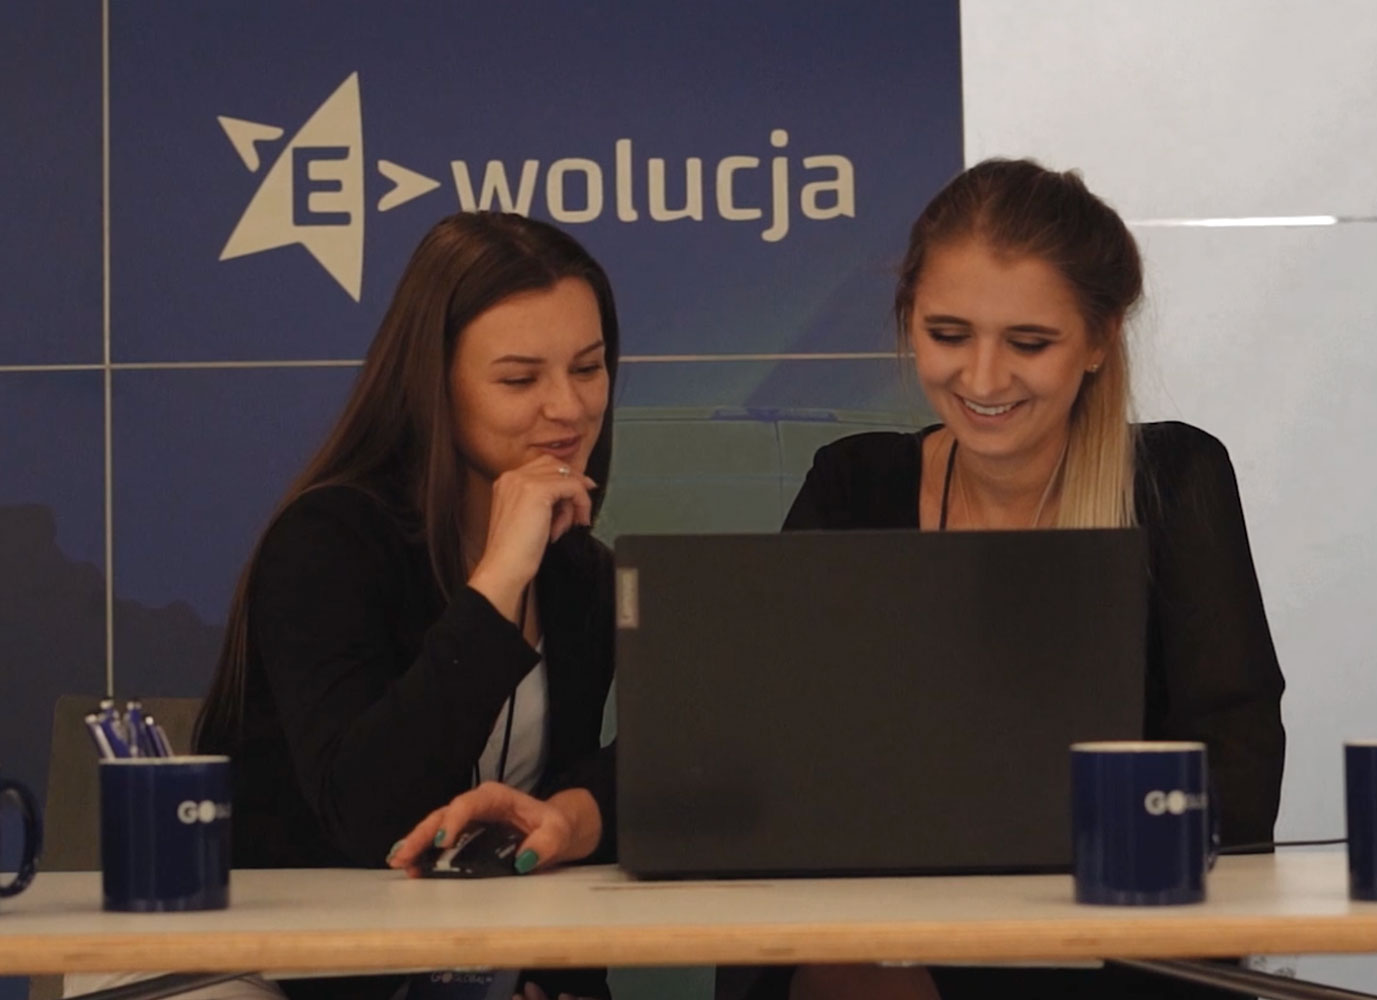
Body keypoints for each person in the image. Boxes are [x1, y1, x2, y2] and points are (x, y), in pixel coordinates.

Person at [727, 158, 1286, 1000]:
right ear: (908, 320)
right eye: (949, 335)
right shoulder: (854, 485)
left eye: (1029, 343)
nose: (983, 379)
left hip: (1123, 946)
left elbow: (1234, 781)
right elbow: (767, 750)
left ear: (1099, 338)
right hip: (893, 940)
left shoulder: (1175, 481)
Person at [193, 211, 621, 1000]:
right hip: (270, 971)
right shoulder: (327, 539)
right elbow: (368, 816)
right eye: (519, 380)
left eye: (589, 368)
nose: (568, 407)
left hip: (454, 968)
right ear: (434, 385)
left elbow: (602, 793)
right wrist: (496, 583)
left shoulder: (581, 575)